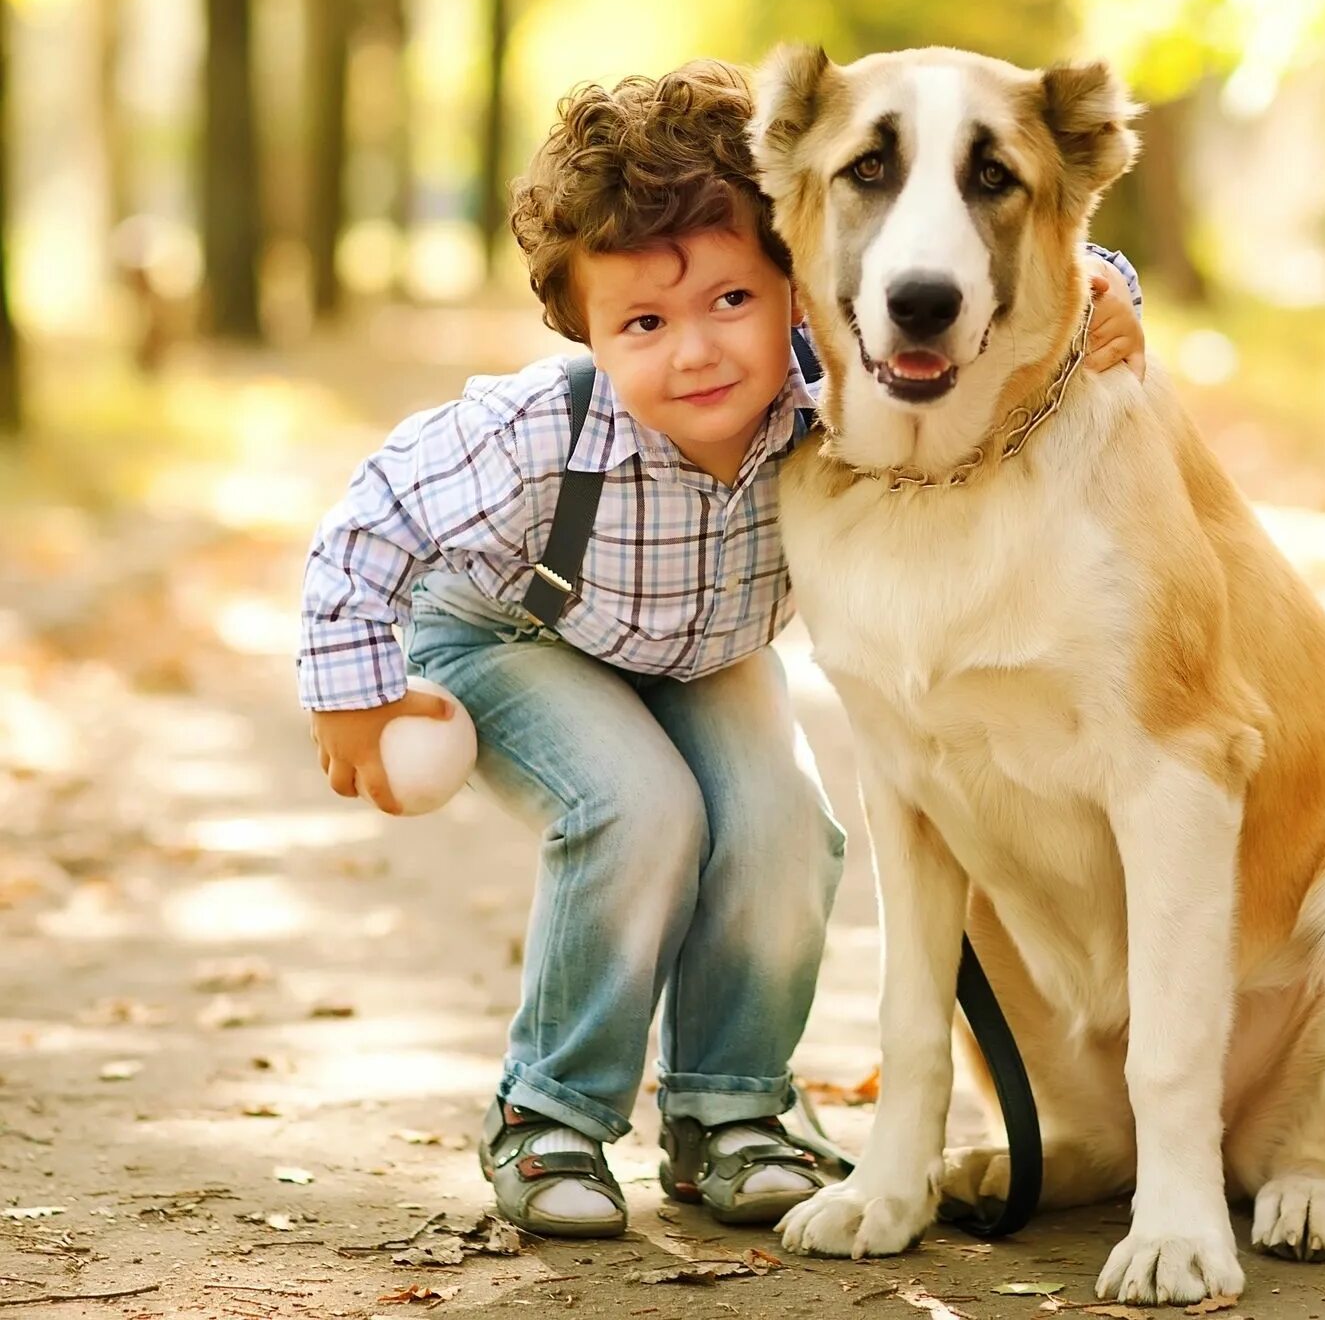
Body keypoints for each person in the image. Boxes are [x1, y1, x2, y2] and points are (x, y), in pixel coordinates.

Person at [297, 60, 1147, 1237]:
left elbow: (995, 260)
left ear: (799, 284)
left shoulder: (826, 391)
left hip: (701, 652)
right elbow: (367, 521)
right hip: (511, 634)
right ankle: (551, 1115)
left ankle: (729, 1110)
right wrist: (351, 700)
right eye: (642, 322)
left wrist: (1108, 281)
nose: (695, 353)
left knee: (787, 825)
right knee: (639, 809)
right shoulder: (535, 436)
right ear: (581, 326)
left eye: (731, 304)